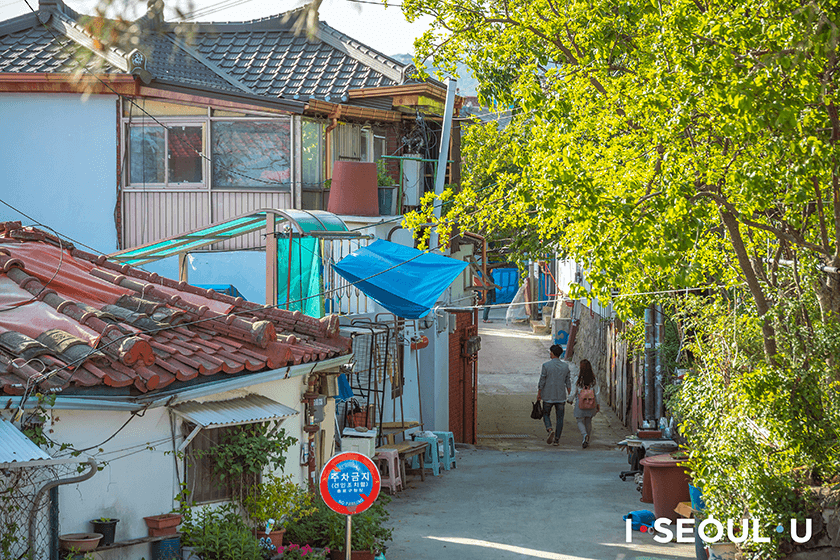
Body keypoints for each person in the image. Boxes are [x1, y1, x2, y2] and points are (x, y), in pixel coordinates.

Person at [537, 344, 571, 445]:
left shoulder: (546, 365)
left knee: (546, 414)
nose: (550, 354)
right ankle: (557, 439)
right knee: (560, 418)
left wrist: (539, 393)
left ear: (552, 353)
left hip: (548, 395)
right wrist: (570, 395)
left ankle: (550, 429)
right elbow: (568, 382)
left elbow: (542, 380)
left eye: (550, 352)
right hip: (560, 396)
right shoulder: (565, 366)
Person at [567, 358, 601, 448]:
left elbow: (573, 391)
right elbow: (597, 393)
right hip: (591, 402)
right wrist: (598, 404)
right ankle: (587, 439)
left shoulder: (578, 379)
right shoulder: (594, 380)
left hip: (580, 403)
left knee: (579, 420)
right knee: (588, 420)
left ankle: (584, 435)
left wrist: (570, 399)